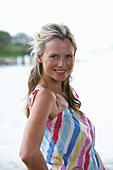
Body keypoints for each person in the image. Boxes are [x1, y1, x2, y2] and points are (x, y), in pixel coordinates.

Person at [19, 23, 105, 170]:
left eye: (68, 56)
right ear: (39, 57)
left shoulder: (64, 92)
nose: (62, 64)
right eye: (54, 56)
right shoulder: (45, 97)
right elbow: (28, 153)